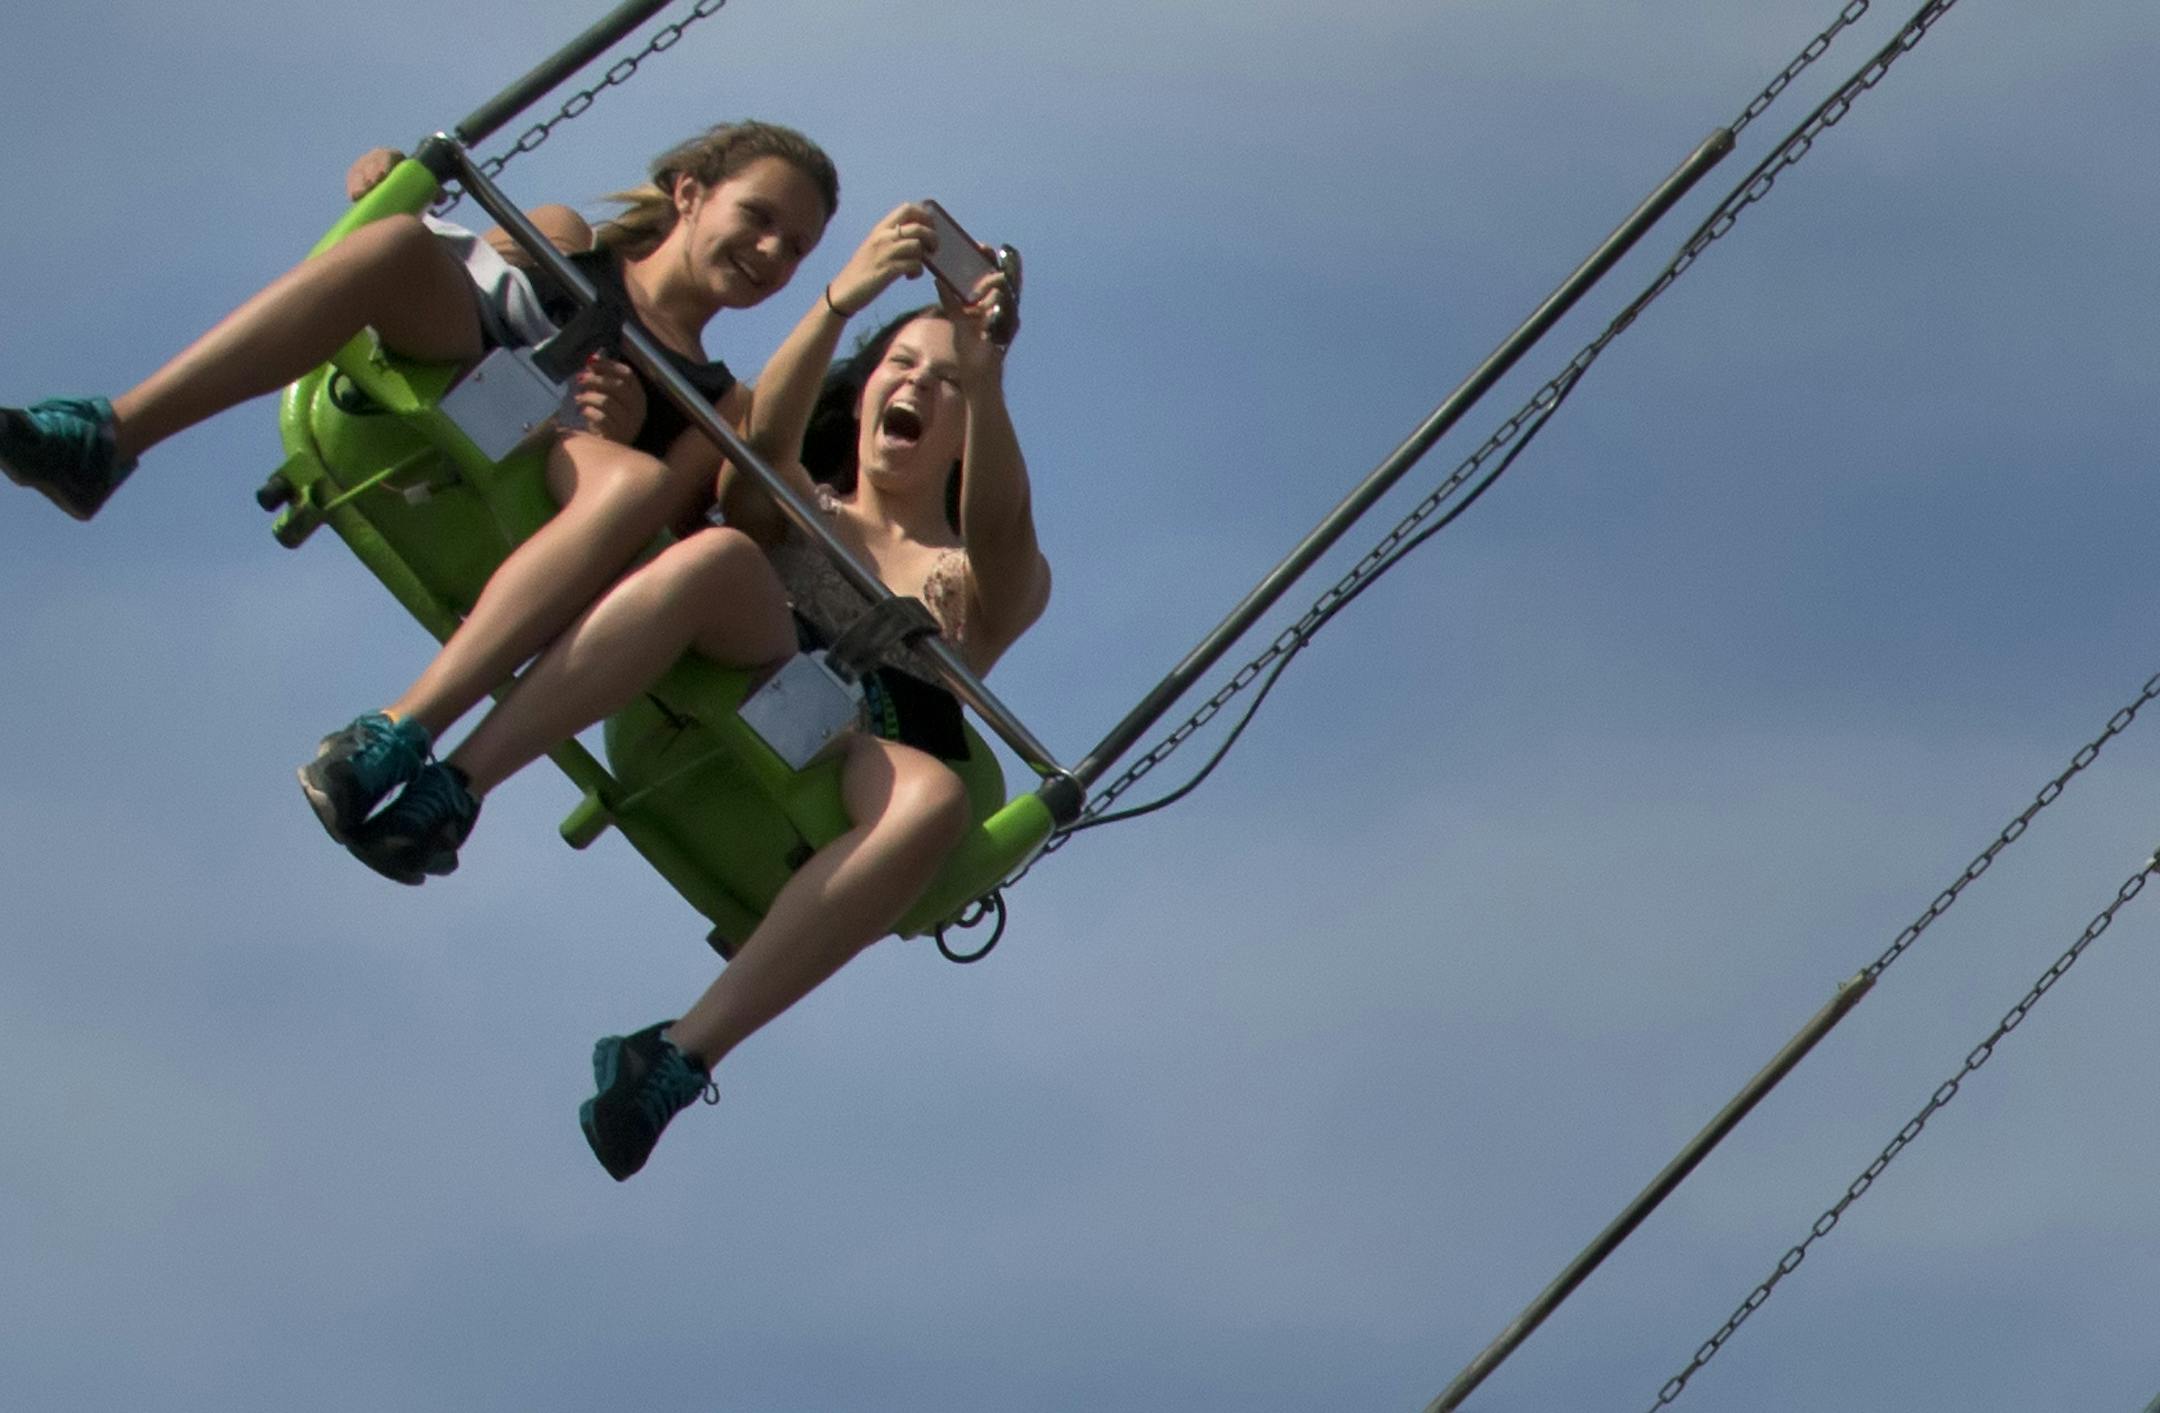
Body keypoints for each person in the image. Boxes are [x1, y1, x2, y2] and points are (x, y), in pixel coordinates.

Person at [342, 207, 1050, 1180]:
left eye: (947, 384)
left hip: (846, 750)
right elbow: (756, 461)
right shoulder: (807, 499)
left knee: (934, 798)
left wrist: (986, 368)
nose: (919, 387)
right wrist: (841, 301)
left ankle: (676, 1056)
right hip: (732, 670)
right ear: (868, 385)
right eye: (903, 366)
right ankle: (453, 785)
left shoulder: (971, 580)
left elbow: (1004, 530)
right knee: (722, 549)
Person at [0, 121, 841, 851]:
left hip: (563, 469)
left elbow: (663, 526)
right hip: (470, 373)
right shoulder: (560, 236)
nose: (771, 251)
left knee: (635, 485)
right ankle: (111, 434)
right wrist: (393, 189)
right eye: (758, 218)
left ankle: (405, 732)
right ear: (691, 193)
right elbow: (458, 268)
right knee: (399, 244)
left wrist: (609, 432)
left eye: (796, 247)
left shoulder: (722, 400)